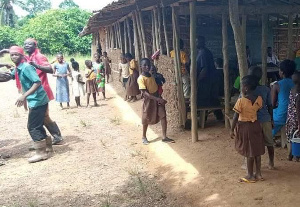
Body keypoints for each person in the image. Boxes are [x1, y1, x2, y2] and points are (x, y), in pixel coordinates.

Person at [0, 46, 52, 163]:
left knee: (32, 127)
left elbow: (37, 82)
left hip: (37, 100)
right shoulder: (19, 67)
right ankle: (48, 147)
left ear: (22, 56)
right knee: (37, 124)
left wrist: (24, 96)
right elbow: (10, 76)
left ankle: (41, 153)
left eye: (16, 55)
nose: (14, 57)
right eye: (12, 55)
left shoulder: (27, 67)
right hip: (36, 100)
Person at [23, 38, 63, 145]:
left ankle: (46, 139)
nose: (26, 45)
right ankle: (53, 137)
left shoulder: (39, 56)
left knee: (41, 116)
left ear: (35, 46)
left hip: (41, 90)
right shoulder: (29, 57)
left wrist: (36, 65)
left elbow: (50, 69)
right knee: (44, 116)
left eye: (29, 44)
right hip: (35, 91)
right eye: (25, 44)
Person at [230, 75, 265, 183]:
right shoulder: (259, 99)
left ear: (246, 87)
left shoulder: (241, 101)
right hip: (256, 125)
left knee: (249, 151)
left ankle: (250, 175)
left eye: (241, 86)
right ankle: (258, 174)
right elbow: (257, 111)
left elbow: (235, 117)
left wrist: (232, 129)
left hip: (245, 127)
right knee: (257, 151)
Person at [137, 58, 175, 145]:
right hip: (149, 100)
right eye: (145, 65)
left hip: (157, 97)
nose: (147, 67)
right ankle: (144, 136)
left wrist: (158, 96)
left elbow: (156, 85)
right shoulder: (141, 79)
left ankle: (164, 137)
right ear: (141, 67)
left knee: (163, 115)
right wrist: (158, 99)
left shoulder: (151, 75)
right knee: (146, 117)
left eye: (148, 65)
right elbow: (145, 93)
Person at [248, 66, 274, 169]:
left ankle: (253, 165)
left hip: (252, 121)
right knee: (269, 142)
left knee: (253, 143)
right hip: (265, 119)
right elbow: (270, 105)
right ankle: (271, 162)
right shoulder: (266, 89)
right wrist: (271, 119)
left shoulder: (247, 91)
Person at [196, 36, 223, 120]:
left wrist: (197, 80)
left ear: (202, 42)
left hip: (206, 81)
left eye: (197, 41)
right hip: (211, 80)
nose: (195, 43)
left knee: (203, 100)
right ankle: (219, 117)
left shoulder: (203, 53)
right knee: (213, 99)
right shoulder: (204, 52)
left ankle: (203, 119)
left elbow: (204, 69)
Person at [272, 60, 296, 137]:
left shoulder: (277, 85)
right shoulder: (296, 83)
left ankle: (268, 136)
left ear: (282, 72)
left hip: (282, 116)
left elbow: (272, 104)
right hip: (294, 115)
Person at [286, 71, 300, 161]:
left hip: (290, 118)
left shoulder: (292, 89)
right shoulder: (299, 93)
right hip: (297, 119)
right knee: (297, 137)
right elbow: (298, 109)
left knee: (292, 137)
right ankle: (296, 156)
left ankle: (290, 155)